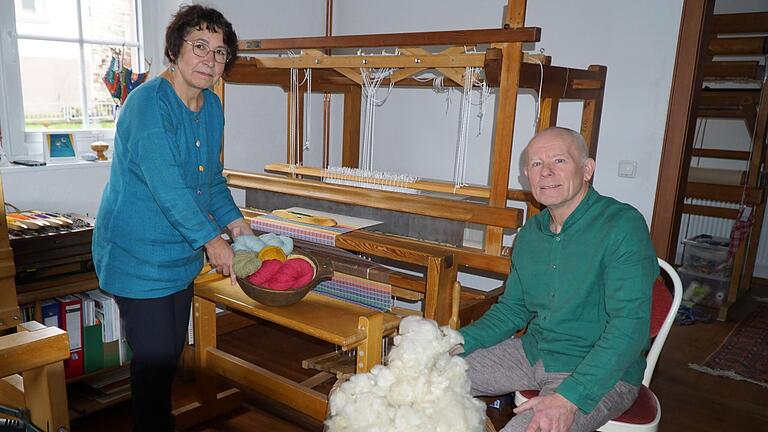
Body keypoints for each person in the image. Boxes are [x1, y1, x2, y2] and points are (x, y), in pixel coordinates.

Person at [92, 5, 252, 431]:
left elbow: (210, 181)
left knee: (166, 356)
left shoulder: (212, 107)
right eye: (200, 46)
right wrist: (214, 243)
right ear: (175, 49)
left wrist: (240, 228)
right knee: (156, 362)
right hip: (136, 255)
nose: (210, 59)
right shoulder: (147, 104)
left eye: (220, 52)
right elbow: (168, 186)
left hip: (179, 257)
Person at [459, 127, 658, 432]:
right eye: (536, 164)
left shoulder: (622, 225)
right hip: (534, 352)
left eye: (559, 161)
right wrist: (454, 343)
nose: (546, 172)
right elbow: (513, 309)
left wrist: (569, 398)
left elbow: (629, 328)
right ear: (527, 174)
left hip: (598, 372)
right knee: (430, 377)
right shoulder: (529, 235)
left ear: (587, 169)